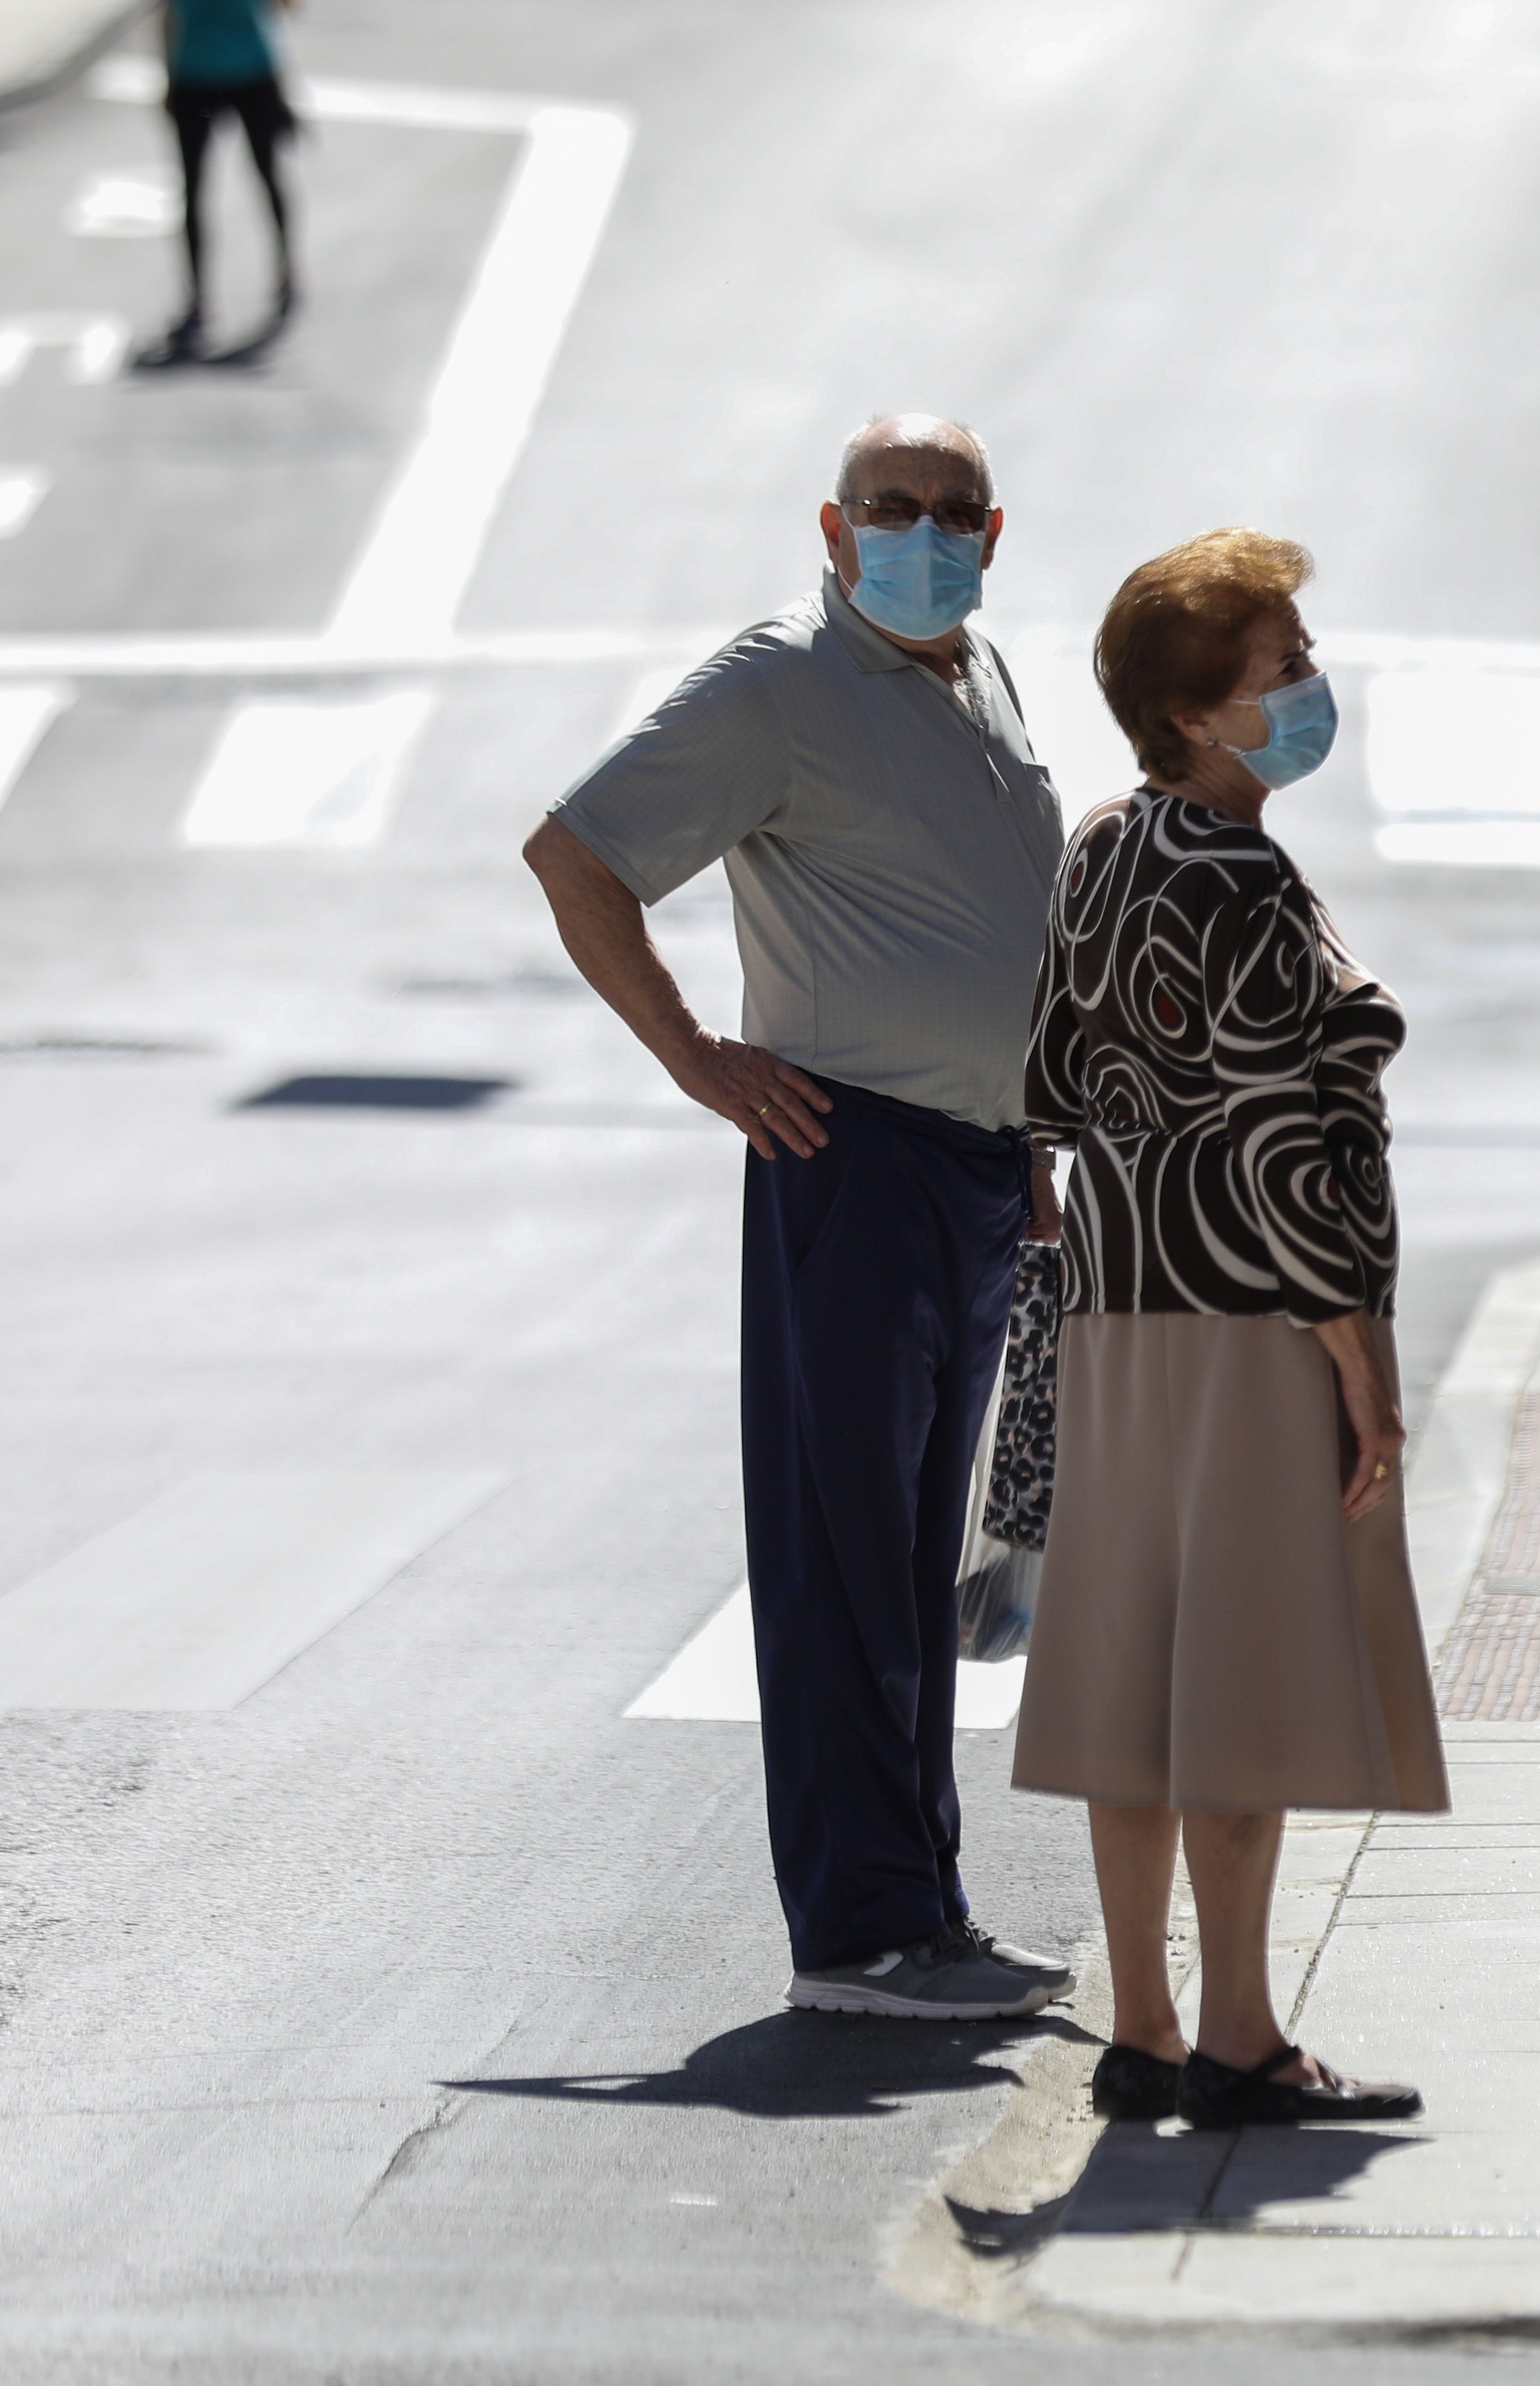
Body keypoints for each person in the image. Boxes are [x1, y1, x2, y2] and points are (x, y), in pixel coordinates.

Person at [525, 414, 1076, 2020]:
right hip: (856, 1155)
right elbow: (576, 855)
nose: (920, 531)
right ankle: (858, 1930)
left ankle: (926, 1906)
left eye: (949, 511)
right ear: (833, 531)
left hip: (972, 1164)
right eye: (889, 509)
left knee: (917, 1559)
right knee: (842, 1552)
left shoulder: (975, 674)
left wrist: (1028, 1137)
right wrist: (695, 1055)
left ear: (991, 533)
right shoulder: (780, 685)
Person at [1012, 529, 1448, 2130]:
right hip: (1247, 1312)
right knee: (1240, 1685)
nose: (1311, 687)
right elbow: (1285, 1135)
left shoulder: (1102, 843)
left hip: (1117, 1306)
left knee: (1133, 1677)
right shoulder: (1244, 879)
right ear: (1197, 714)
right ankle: (1245, 2033)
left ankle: (1140, 2022)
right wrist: (1361, 1355)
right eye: (1283, 670)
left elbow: (1049, 1081)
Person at [147, 0, 332, 365]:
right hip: (193, 77)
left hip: (251, 73)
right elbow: (168, 13)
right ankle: (198, 299)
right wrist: (164, 77)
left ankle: (286, 271)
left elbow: (286, 1)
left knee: (269, 177)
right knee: (192, 194)